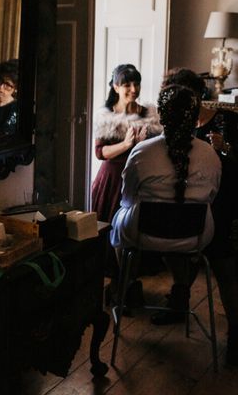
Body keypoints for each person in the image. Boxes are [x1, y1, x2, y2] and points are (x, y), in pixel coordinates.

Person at [110, 85, 221, 332]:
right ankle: (181, 294)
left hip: (143, 234)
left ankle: (129, 287)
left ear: (161, 115)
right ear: (195, 118)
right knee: (179, 228)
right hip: (195, 236)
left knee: (119, 219)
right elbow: (212, 195)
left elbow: (126, 199)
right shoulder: (210, 155)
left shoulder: (142, 152)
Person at [156, 68, 238, 365]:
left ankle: (235, 335)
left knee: (224, 266)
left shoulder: (226, 120)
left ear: (197, 96)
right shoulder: (176, 125)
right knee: (172, 242)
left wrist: (226, 148)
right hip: (188, 200)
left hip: (224, 200)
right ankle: (180, 298)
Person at [91, 64, 162, 303]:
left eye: (136, 83)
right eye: (126, 84)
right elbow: (100, 153)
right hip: (111, 180)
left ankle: (129, 283)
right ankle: (117, 285)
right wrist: (127, 144)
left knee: (135, 230)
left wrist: (144, 144)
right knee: (111, 229)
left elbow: (158, 148)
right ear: (115, 87)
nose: (133, 89)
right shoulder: (106, 114)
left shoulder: (149, 114)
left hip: (140, 176)